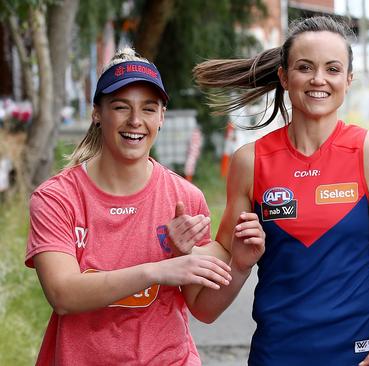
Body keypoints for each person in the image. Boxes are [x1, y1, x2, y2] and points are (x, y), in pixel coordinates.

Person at [192, 16, 369, 366]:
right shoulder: (250, 162)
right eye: (305, 67)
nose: (319, 79)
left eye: (332, 68)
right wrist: (215, 256)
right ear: (284, 77)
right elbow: (208, 306)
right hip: (278, 353)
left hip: (360, 353)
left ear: (348, 80)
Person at [25, 47, 264, 365]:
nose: (135, 121)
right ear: (97, 112)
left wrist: (240, 265)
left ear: (162, 116)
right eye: (121, 107)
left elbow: (204, 310)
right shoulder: (56, 198)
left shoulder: (184, 198)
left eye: (149, 109)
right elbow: (63, 295)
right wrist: (159, 270)